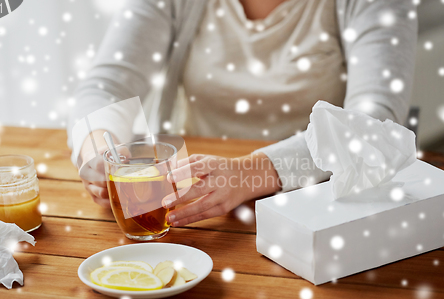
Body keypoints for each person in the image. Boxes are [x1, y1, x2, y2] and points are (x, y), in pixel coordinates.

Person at [67, 0, 417, 227]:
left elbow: (377, 124)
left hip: (319, 207)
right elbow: (107, 83)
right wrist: (99, 151)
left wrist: (250, 173)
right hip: (197, 205)